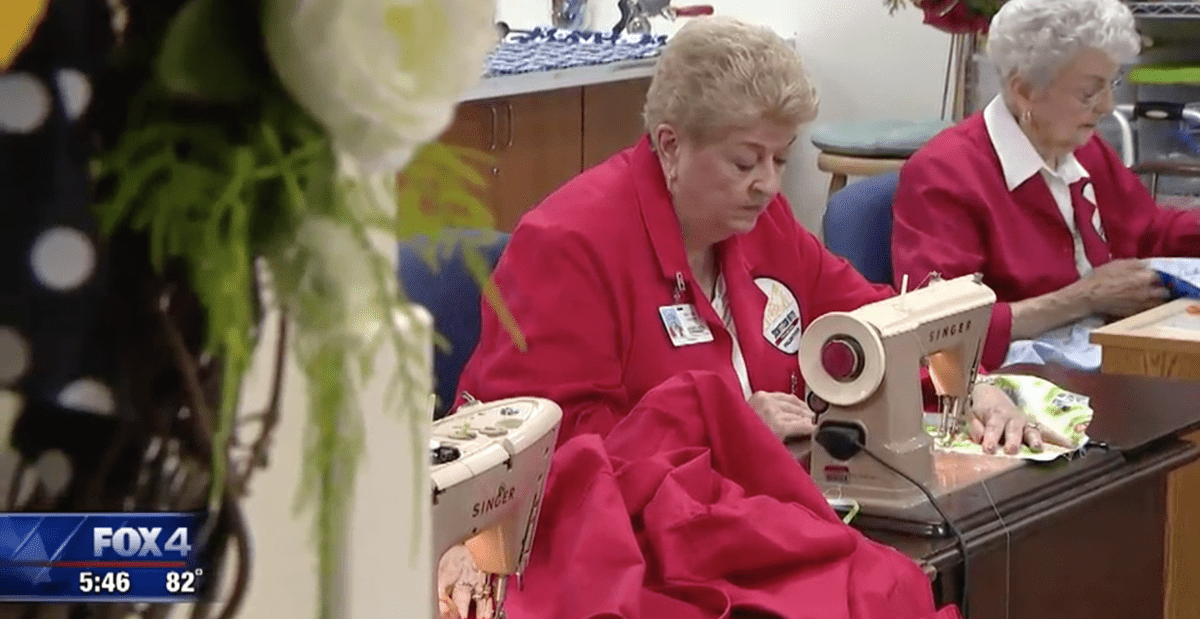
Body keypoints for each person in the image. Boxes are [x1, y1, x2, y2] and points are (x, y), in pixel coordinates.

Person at [454, 17, 1048, 619]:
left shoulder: (761, 225)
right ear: (670, 146)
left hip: (746, 510)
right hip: (622, 541)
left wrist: (959, 380)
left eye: (780, 159)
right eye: (744, 163)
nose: (767, 184)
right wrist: (727, 432)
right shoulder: (568, 246)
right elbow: (546, 456)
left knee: (901, 581)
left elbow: (867, 317)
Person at [891, 0, 1200, 364]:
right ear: (1025, 91)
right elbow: (938, 329)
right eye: (1089, 92)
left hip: (1114, 354)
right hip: (1015, 377)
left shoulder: (1081, 146)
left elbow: (1149, 231)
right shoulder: (943, 175)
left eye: (1112, 84)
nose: (1107, 106)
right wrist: (1084, 298)